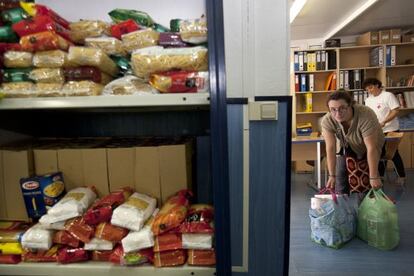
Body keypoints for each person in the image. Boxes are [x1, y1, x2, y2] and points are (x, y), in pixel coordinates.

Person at [321, 90, 384, 194]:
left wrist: (373, 176)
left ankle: (367, 206)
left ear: (350, 105)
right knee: (340, 180)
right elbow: (330, 148)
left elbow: (372, 147)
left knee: (367, 187)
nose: (338, 114)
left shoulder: (365, 114)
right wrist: (332, 175)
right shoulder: (327, 120)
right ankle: (342, 207)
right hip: (349, 147)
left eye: (342, 108)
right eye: (333, 109)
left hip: (372, 149)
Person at [363, 78, 406, 184]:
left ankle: (402, 176)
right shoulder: (368, 100)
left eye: (371, 87)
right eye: (367, 89)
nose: (369, 90)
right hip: (376, 131)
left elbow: (395, 110)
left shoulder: (388, 96)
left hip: (391, 129)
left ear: (377, 85)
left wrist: (384, 122)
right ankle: (381, 176)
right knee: (379, 153)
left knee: (392, 153)